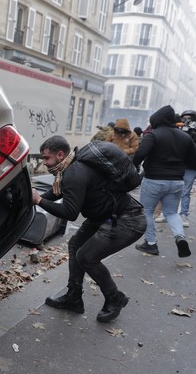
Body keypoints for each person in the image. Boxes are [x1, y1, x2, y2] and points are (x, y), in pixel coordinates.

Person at [32, 135, 146, 323]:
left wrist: (39, 201)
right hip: (104, 217)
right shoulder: (69, 168)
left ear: (60, 155)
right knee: (75, 245)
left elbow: (69, 212)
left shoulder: (74, 172)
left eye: (46, 158)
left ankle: (115, 298)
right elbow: (58, 191)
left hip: (127, 219)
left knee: (87, 257)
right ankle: (73, 297)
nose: (44, 163)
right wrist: (35, 198)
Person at [133, 105, 196, 258]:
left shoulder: (154, 135)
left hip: (154, 179)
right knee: (171, 212)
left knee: (146, 211)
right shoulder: (185, 137)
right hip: (176, 182)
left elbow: (140, 154)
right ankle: (179, 237)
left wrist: (135, 166)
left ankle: (151, 243)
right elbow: (192, 160)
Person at [178, 110, 196, 228]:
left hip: (192, 165)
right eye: (184, 118)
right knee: (174, 189)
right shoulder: (179, 130)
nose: (186, 121)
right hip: (180, 164)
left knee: (185, 191)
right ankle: (169, 213)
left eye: (189, 118)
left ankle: (183, 214)